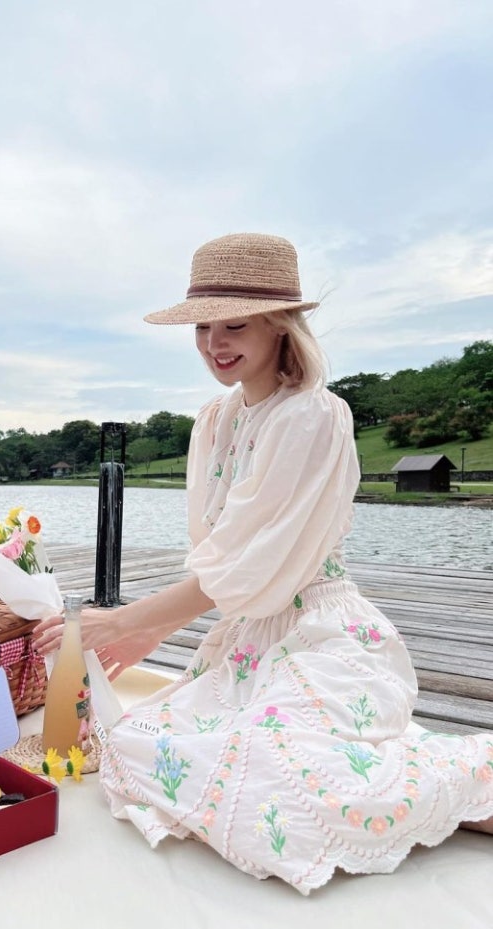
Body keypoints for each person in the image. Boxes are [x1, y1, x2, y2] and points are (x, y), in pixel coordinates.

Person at [33, 232, 493, 895]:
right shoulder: (214, 420)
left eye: (234, 325)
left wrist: (119, 620)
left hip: (322, 632)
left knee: (281, 776)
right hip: (249, 640)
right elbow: (222, 559)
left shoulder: (313, 415)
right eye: (202, 328)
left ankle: (468, 784)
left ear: (281, 325)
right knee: (145, 742)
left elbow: (248, 567)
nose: (213, 344)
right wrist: (153, 629)